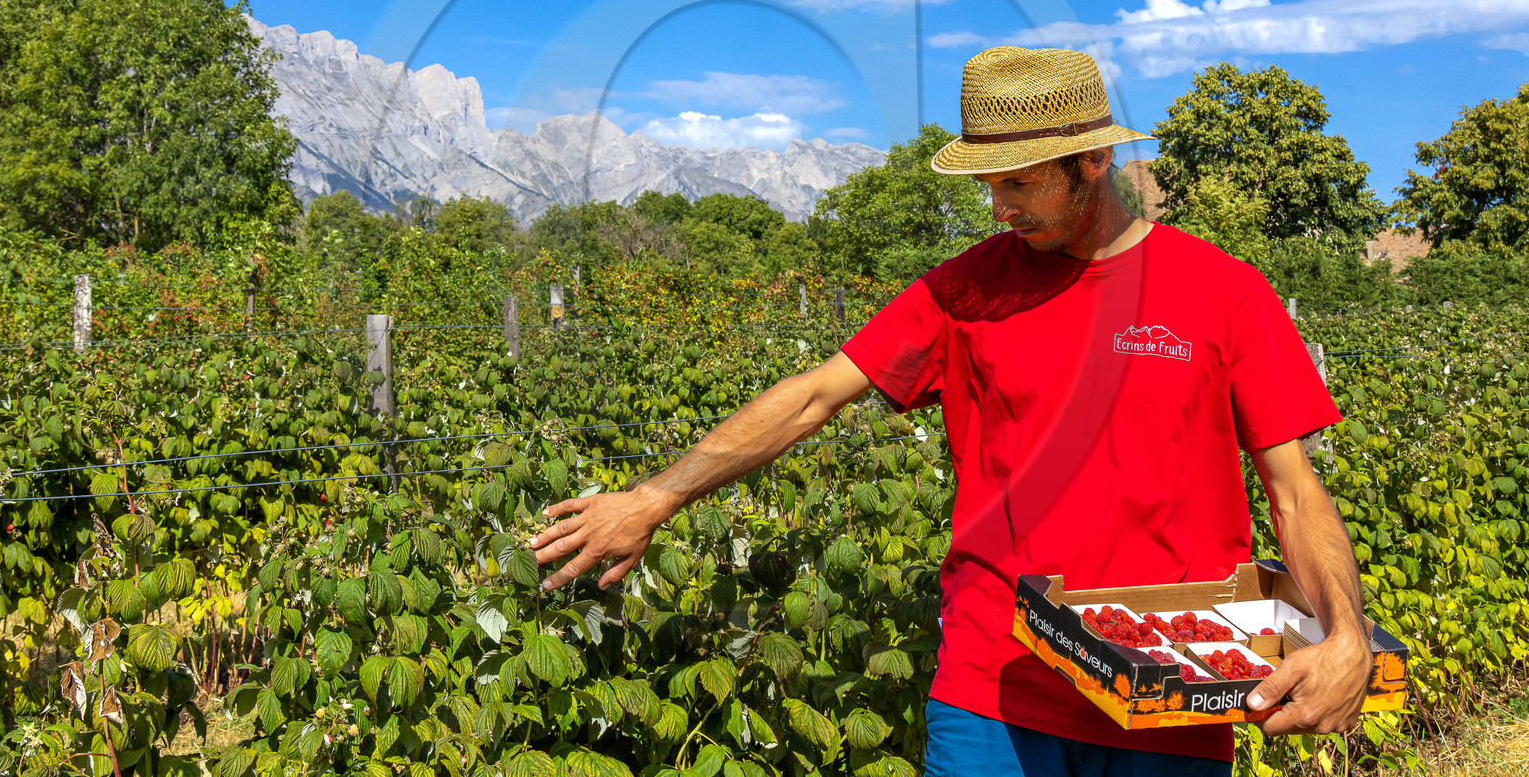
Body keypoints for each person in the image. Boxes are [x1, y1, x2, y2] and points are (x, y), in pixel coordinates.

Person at [531, 46, 1374, 776]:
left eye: (1018, 183)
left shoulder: (1222, 293)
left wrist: (1347, 636)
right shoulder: (966, 290)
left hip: (1173, 689)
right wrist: (655, 496)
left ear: (1091, 162)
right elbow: (816, 395)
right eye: (988, 185)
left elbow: (1294, 493)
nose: (998, 208)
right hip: (994, 687)